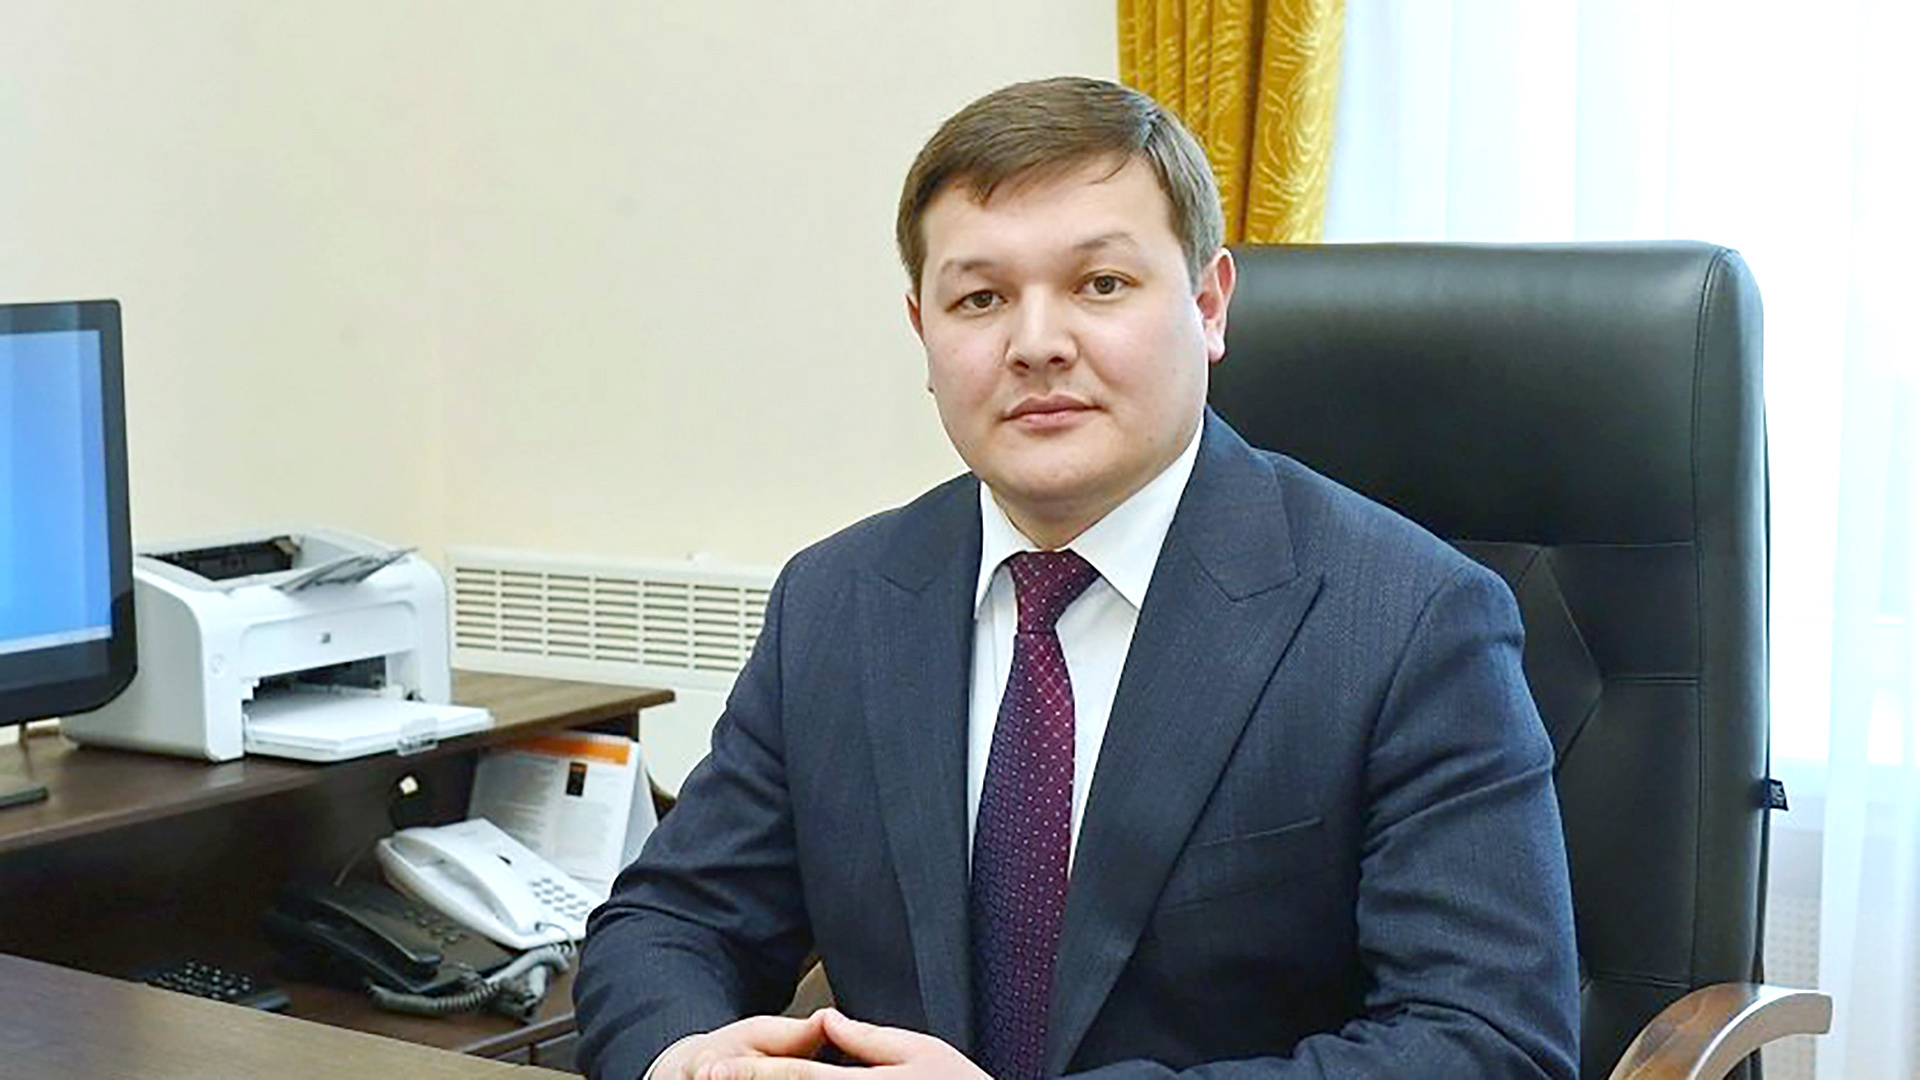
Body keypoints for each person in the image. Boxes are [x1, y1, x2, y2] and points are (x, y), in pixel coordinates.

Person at [575, 75, 1579, 1080]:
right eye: (980, 299)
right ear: (923, 332)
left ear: (1208, 305)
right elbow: (669, 924)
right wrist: (690, 1062)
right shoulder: (838, 602)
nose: (1037, 345)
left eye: (1100, 285)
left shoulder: (1408, 620)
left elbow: (1484, 1042)